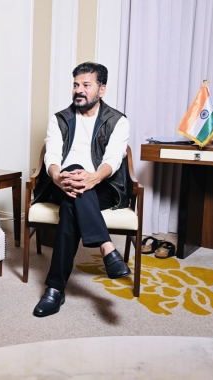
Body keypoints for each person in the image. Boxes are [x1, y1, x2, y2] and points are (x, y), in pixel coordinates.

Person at [31, 62, 132, 318]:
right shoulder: (60, 119)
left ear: (102, 89)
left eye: (86, 85)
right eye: (76, 84)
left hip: (103, 186)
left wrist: (93, 177)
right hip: (60, 183)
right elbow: (52, 155)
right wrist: (57, 177)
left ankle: (55, 289)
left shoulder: (118, 121)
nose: (79, 90)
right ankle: (107, 248)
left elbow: (114, 159)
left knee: (70, 205)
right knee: (72, 173)